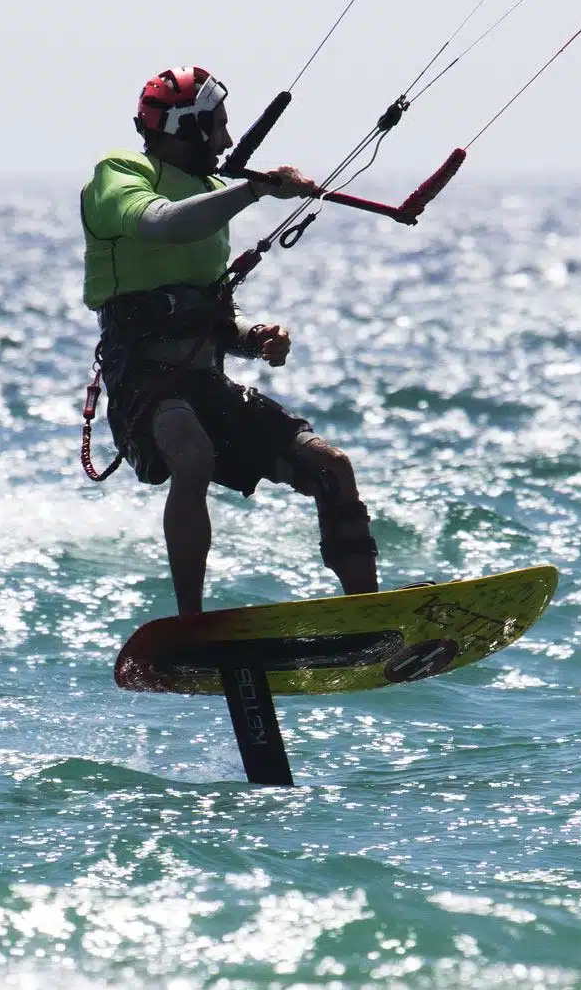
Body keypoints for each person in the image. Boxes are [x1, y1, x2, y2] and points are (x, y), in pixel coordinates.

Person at [81, 66, 379, 616]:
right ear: (187, 128)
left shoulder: (212, 192)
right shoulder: (120, 173)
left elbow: (213, 315)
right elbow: (162, 224)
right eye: (216, 127)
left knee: (330, 466)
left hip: (205, 383)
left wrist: (254, 336)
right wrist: (253, 190)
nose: (225, 142)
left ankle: (370, 612)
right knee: (191, 453)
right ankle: (190, 621)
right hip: (143, 384)